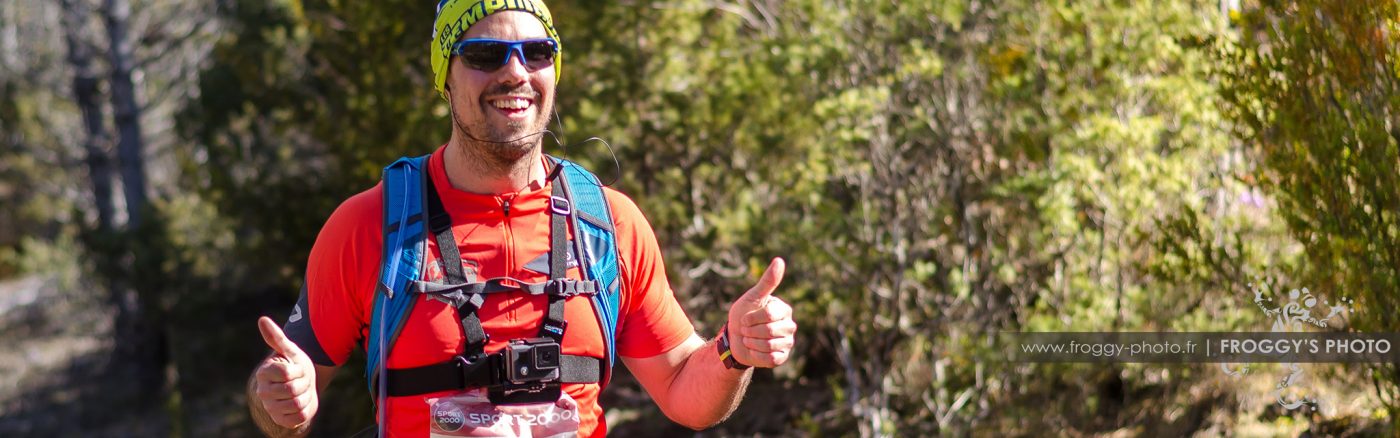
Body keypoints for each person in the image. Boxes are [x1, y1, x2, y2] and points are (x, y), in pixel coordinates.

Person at [245, 1, 796, 437]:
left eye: (536, 52)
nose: (515, 72)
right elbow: (282, 405)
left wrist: (732, 349)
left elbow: (683, 392)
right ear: (446, 75)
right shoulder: (369, 225)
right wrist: (281, 400)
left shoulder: (609, 225)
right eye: (486, 55)